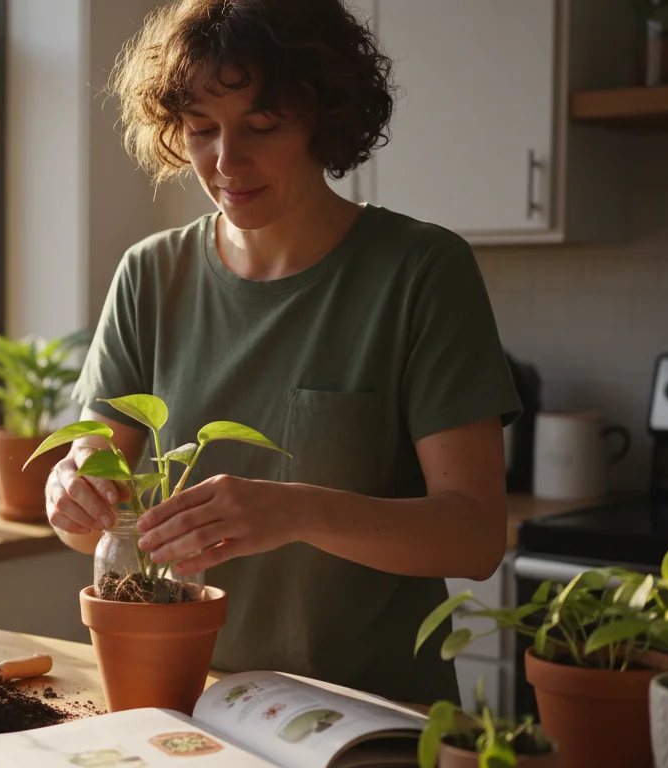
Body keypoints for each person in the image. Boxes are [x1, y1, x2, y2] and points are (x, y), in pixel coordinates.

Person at [47, 0, 521, 707]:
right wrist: (73, 487)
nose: (225, 161)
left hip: (370, 715)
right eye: (201, 130)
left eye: (261, 127)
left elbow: (475, 536)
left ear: (324, 121)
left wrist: (300, 512)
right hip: (189, 699)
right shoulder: (149, 276)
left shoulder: (420, 271)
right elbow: (96, 473)